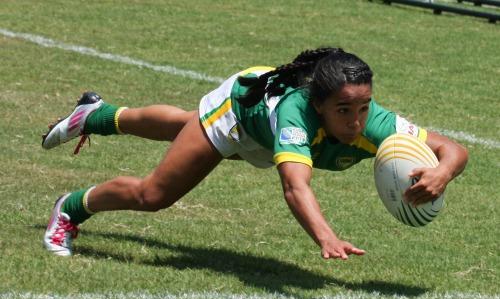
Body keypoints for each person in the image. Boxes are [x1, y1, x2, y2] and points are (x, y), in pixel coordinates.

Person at [41, 47, 468, 258]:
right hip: (240, 112)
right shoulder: (297, 116)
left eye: (362, 107)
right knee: (154, 195)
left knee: (181, 126)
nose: (356, 120)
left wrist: (443, 172)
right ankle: (71, 208)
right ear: (318, 105)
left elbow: (452, 148)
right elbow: (295, 187)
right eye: (343, 111)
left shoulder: (371, 120)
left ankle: (96, 115)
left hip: (263, 121)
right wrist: (326, 237)